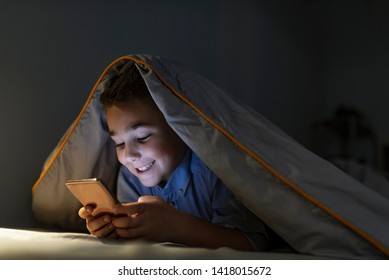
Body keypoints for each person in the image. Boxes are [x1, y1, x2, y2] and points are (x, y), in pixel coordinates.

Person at [78, 63, 270, 251]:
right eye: (119, 143)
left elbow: (251, 241)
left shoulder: (216, 170)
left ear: (180, 128)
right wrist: (114, 228)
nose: (130, 155)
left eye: (143, 137)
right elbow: (134, 236)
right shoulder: (130, 178)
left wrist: (177, 227)